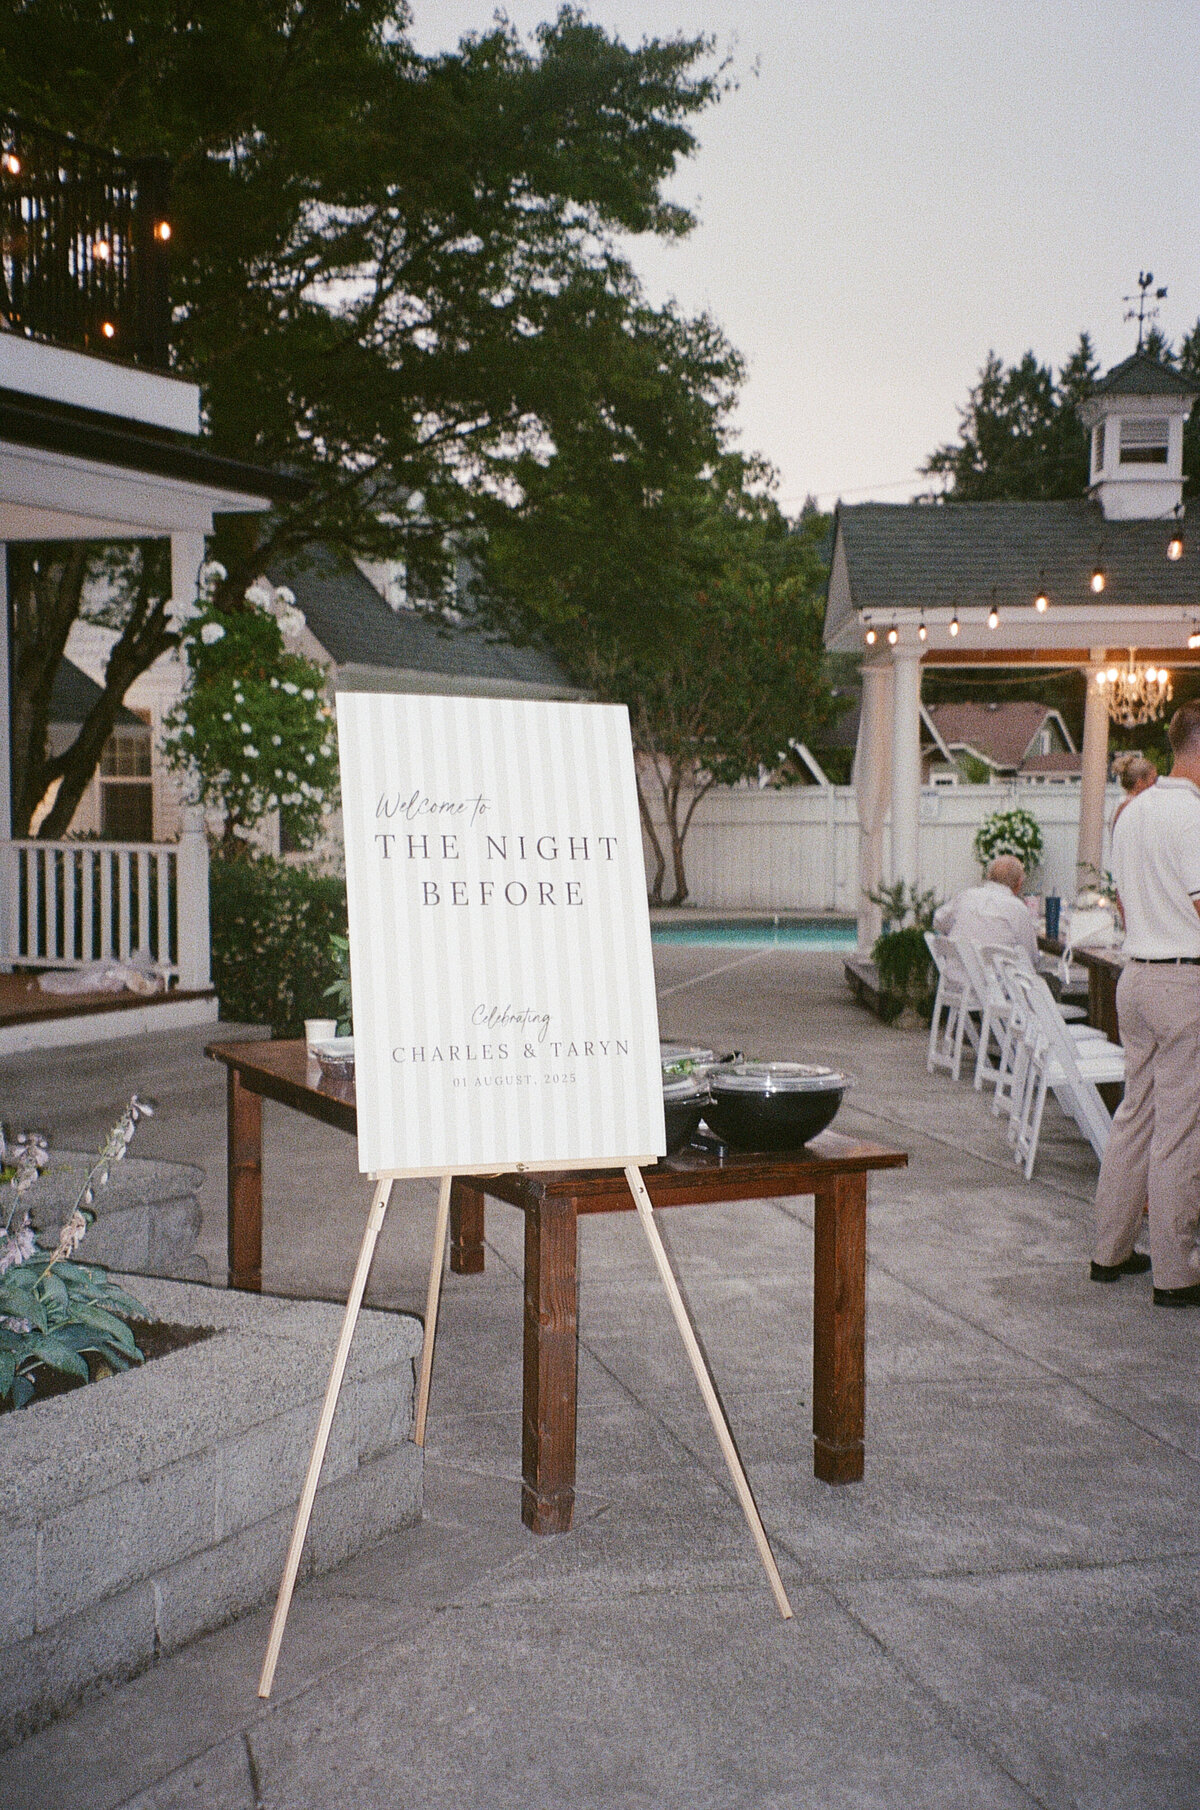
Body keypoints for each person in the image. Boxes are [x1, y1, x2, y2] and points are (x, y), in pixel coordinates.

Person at [1091, 698, 1200, 1304]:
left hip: (1135, 977)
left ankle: (1109, 1250)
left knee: (1136, 1115)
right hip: (1185, 982)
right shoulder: (1194, 816)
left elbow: (1125, 904)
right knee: (1180, 1130)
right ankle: (1177, 1273)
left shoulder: (1131, 813)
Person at [932, 854, 1038, 961]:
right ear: (1019, 883)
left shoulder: (967, 895)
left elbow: (938, 920)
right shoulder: (1017, 908)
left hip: (955, 974)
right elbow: (1031, 957)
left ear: (988, 876)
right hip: (995, 976)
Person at [1111, 753, 1158, 831]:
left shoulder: (1123, 802)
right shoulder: (1130, 804)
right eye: (1153, 779)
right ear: (1139, 783)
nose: (1155, 783)